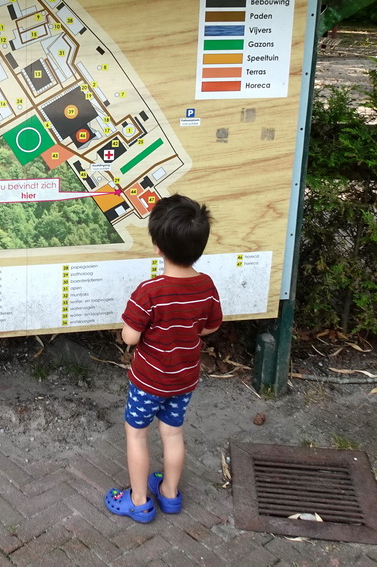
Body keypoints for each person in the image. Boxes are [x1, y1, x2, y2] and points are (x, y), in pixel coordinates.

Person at [104, 194, 222, 523]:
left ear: (157, 245)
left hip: (148, 382)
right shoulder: (206, 286)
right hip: (184, 380)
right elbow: (210, 326)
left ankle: (139, 500)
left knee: (137, 434)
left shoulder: (149, 291)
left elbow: (130, 337)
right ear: (200, 245)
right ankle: (169, 494)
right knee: (172, 433)